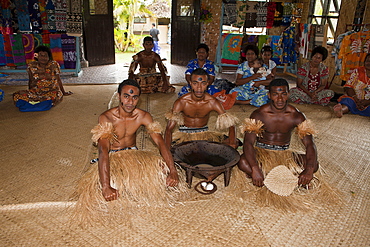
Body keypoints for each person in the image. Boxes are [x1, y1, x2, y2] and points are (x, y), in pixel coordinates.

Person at [75, 79, 183, 222]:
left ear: (139, 98)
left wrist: (173, 170)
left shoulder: (143, 116)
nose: (130, 101)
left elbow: (161, 143)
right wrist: (106, 186)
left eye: (134, 97)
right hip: (112, 156)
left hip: (133, 153)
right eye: (126, 96)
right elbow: (103, 152)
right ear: (119, 96)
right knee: (109, 188)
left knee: (163, 172)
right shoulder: (106, 117)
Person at [236, 78, 336, 209]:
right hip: (262, 153)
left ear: (288, 94)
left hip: (284, 154)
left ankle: (273, 179)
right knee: (242, 161)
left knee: (313, 164)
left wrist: (309, 169)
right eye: (275, 94)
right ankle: (280, 180)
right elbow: (248, 144)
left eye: (283, 93)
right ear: (269, 95)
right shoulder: (259, 114)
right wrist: (255, 168)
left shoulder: (296, 116)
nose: (280, 98)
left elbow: (310, 144)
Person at [165, 68, 239, 149]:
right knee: (170, 148)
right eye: (195, 83)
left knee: (234, 142)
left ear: (207, 83)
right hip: (184, 136)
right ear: (190, 83)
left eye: (203, 83)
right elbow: (169, 129)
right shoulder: (181, 102)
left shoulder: (213, 102)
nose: (199, 87)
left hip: (204, 134)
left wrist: (232, 142)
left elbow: (231, 125)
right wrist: (167, 148)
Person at [334, 53, 370, 117]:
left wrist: (367, 102)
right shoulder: (358, 71)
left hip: (368, 103)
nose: (369, 63)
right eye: (367, 61)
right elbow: (348, 86)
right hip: (354, 98)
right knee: (348, 101)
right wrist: (356, 99)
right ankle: (341, 110)